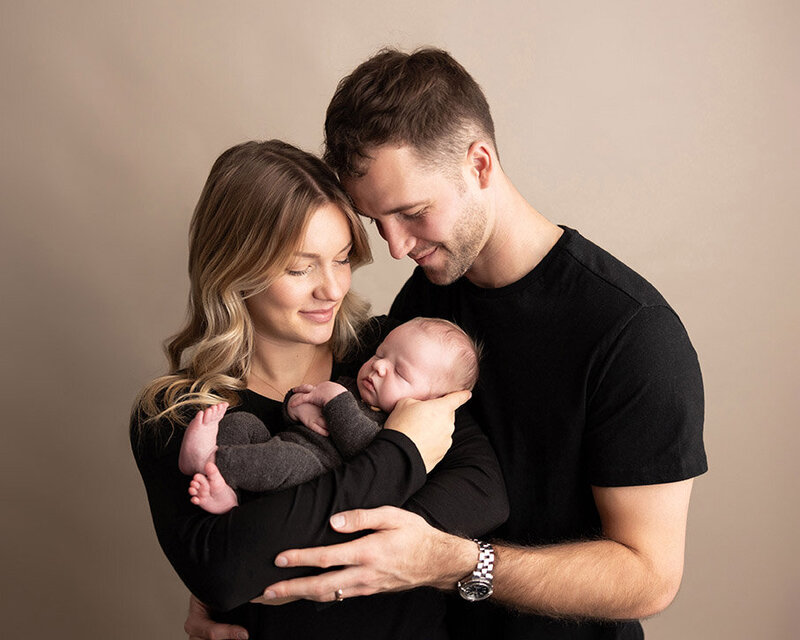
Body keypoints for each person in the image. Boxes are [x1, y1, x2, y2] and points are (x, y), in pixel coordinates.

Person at [186, 48, 707, 640]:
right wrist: (239, 604)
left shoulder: (633, 336)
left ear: (479, 163)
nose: (396, 248)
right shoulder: (423, 303)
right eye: (378, 222)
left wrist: (460, 564)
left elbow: (650, 576)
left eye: (412, 213)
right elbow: (361, 485)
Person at [130, 139, 509, 639]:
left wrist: (274, 539)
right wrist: (402, 455)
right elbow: (223, 572)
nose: (332, 288)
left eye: (342, 258)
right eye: (300, 267)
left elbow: (483, 494)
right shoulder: (177, 414)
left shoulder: (386, 355)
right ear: (234, 269)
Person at [179, 317, 481, 514]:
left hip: (312, 470)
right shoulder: (351, 386)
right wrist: (297, 406)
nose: (378, 367)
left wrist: (335, 400)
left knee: (285, 459)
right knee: (245, 422)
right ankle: (224, 485)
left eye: (399, 371)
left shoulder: (397, 427)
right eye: (379, 354)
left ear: (429, 402)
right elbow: (301, 396)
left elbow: (367, 451)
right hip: (280, 443)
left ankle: (210, 464)